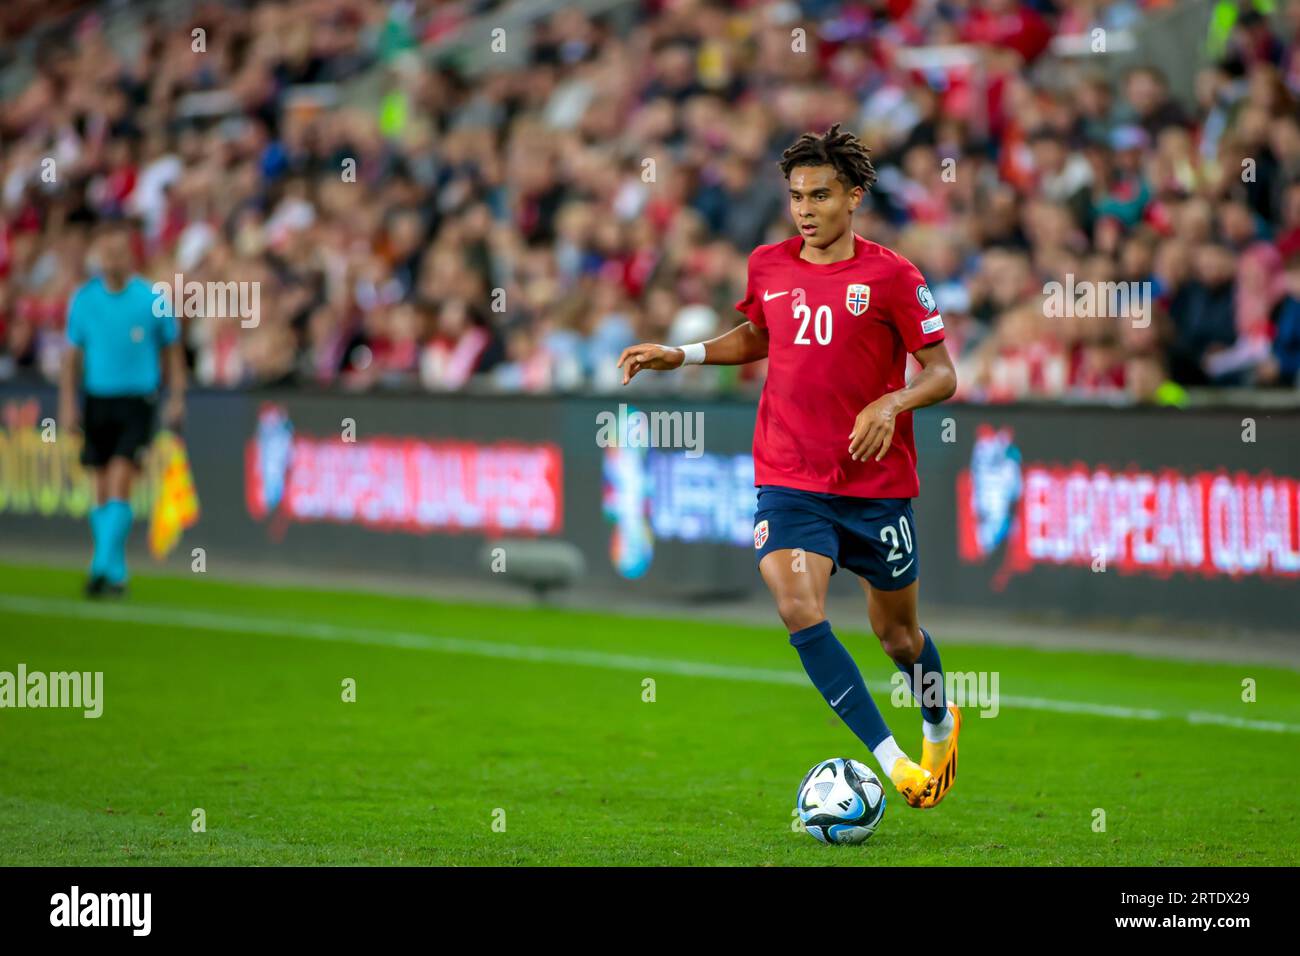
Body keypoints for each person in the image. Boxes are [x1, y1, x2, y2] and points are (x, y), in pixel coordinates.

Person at [617, 125, 961, 809]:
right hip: (790, 477)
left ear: (855, 196)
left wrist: (892, 402)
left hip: (875, 485)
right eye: (797, 196)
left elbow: (943, 375)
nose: (805, 208)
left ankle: (939, 720)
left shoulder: (893, 276)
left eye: (821, 195)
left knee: (898, 637)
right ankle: (892, 763)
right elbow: (758, 334)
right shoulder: (769, 265)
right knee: (796, 603)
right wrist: (680, 354)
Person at [59, 220, 186, 597]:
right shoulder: (84, 299)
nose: (112, 259)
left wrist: (176, 395)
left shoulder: (151, 299)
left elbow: (172, 351)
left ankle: (100, 565)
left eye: (119, 251)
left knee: (120, 476)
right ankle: (114, 573)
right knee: (99, 486)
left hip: (136, 399)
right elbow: (71, 358)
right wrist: (68, 404)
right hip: (97, 398)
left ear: (130, 254)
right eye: (107, 251)